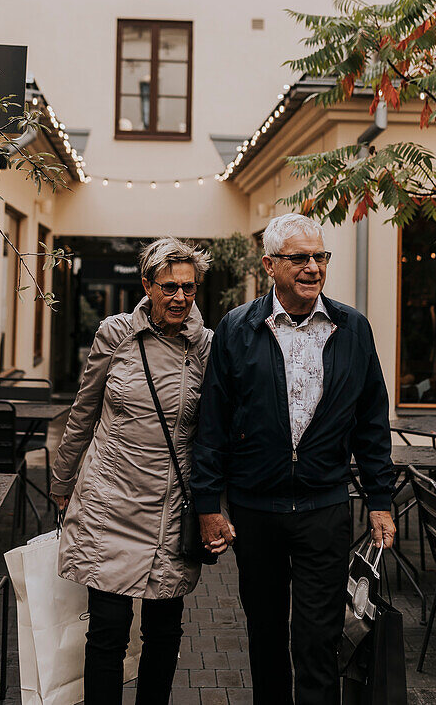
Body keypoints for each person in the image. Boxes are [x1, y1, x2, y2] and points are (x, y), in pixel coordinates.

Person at [191, 212, 396, 705]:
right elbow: (212, 425)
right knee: (264, 635)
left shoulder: (352, 329)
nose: (312, 267)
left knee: (318, 639)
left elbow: (371, 422)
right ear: (269, 265)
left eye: (319, 256)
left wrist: (380, 500)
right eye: (298, 257)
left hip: (323, 507)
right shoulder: (238, 329)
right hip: (255, 510)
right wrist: (207, 505)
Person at [51, 237, 221, 705]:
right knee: (107, 629)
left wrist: (216, 507)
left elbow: (216, 433)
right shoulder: (114, 334)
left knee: (164, 630)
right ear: (146, 285)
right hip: (110, 498)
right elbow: (83, 412)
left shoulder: (208, 347)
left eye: (189, 287)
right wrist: (62, 483)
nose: (180, 298)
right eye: (169, 287)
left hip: (170, 504)